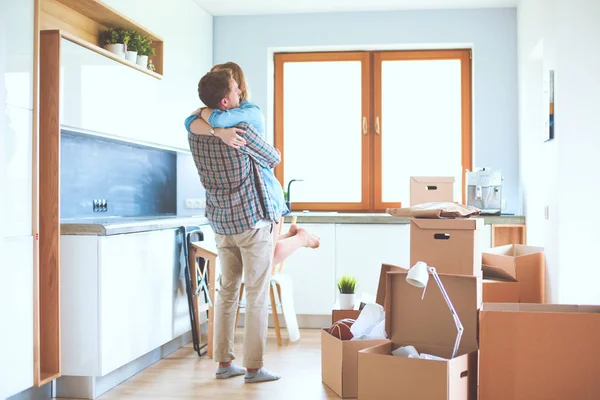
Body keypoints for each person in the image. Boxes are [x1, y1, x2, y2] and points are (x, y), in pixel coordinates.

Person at [186, 68, 281, 383]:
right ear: (226, 102)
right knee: (256, 294)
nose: (241, 95)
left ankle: (224, 363)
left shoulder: (196, 132)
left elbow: (192, 120)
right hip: (252, 223)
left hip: (222, 224)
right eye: (236, 91)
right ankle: (253, 367)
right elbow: (273, 157)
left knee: (226, 292)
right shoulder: (243, 128)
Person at [185, 62, 320, 266]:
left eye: (219, 80)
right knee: (261, 255)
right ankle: (295, 235)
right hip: (248, 200)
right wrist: (217, 131)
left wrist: (204, 113)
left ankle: (302, 238)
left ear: (234, 85)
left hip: (266, 195)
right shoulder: (220, 114)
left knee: (267, 259)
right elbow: (189, 123)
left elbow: (212, 119)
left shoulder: (249, 112)